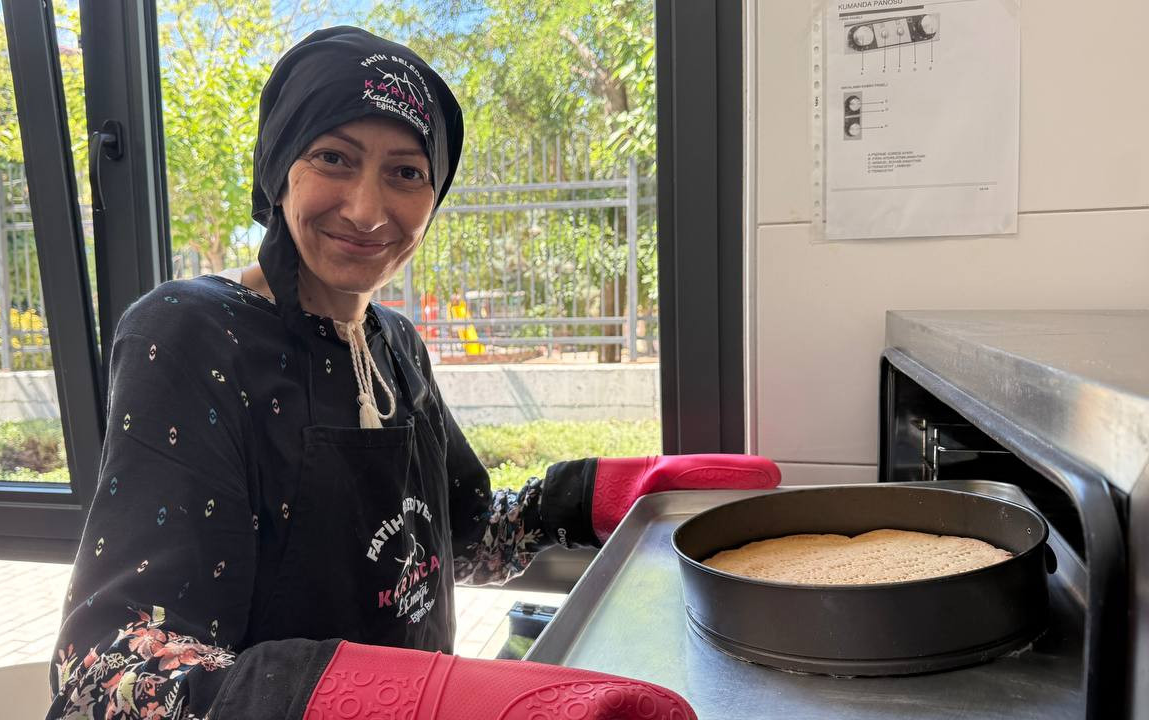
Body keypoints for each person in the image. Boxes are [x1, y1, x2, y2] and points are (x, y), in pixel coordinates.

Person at [46, 26, 779, 719]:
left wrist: (596, 496)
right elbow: (108, 674)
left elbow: (464, 538)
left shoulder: (393, 342)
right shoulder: (191, 333)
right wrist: (417, 700)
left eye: (405, 172)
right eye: (333, 158)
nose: (368, 210)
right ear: (278, 167)